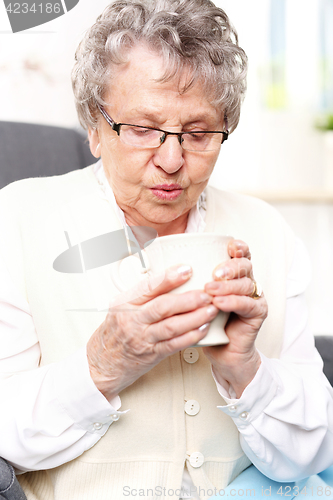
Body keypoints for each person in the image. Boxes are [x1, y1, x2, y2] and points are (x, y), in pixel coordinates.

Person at [0, 1, 332, 499]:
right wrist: (104, 363)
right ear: (94, 125)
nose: (173, 160)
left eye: (199, 134)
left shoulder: (267, 231)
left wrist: (244, 368)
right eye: (141, 130)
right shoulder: (19, 219)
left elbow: (310, 458)